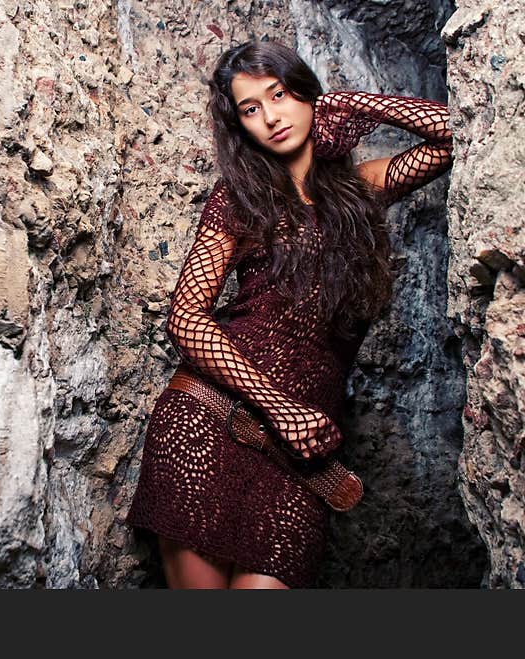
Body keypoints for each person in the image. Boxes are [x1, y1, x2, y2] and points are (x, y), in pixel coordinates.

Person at [125, 40, 453, 589]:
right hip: (210, 422)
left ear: (306, 94)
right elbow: (186, 316)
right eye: (251, 108)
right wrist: (281, 408)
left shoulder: (364, 189)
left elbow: (453, 130)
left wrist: (349, 104)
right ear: (241, 126)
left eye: (280, 95)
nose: (271, 116)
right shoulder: (237, 198)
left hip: (303, 461)